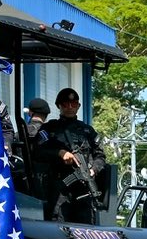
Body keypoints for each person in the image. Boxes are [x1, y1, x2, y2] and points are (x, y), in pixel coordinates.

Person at [34, 86, 106, 222]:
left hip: (84, 189)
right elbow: (38, 151)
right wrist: (59, 153)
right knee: (58, 226)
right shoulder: (49, 128)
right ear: (59, 106)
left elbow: (100, 156)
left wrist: (93, 170)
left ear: (78, 106)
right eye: (66, 104)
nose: (70, 107)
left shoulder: (88, 131)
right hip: (59, 189)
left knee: (85, 227)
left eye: (73, 104)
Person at [14, 98, 51, 196]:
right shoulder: (49, 134)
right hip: (44, 183)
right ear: (46, 115)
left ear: (30, 113)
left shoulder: (19, 133)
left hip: (22, 183)